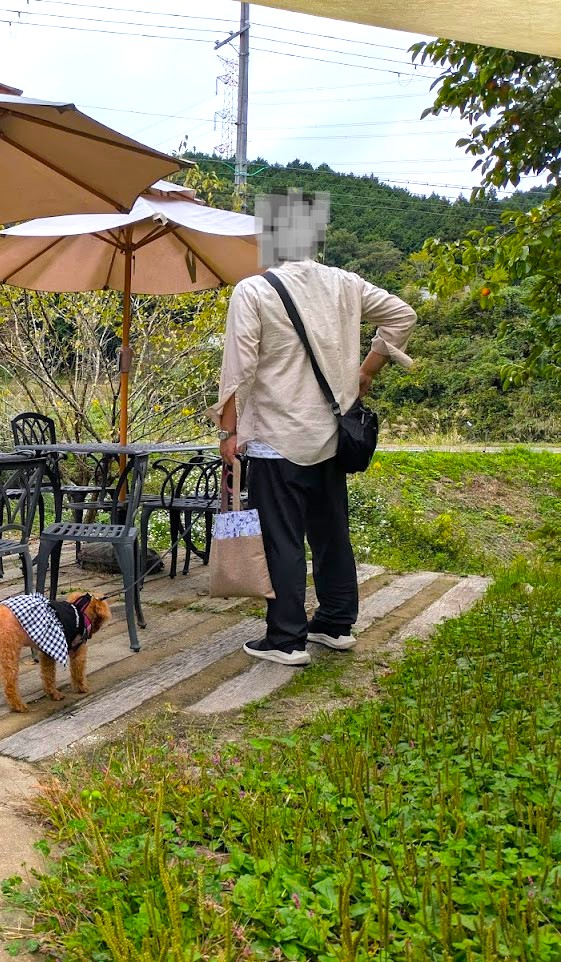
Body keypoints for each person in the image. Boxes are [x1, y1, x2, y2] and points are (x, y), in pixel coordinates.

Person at [209, 190, 416, 666]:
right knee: (330, 533)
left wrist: (227, 433)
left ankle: (286, 639)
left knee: (281, 538)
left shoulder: (255, 290)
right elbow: (403, 315)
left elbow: (237, 369)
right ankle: (336, 624)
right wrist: (367, 372)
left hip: (276, 438)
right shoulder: (346, 283)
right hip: (332, 437)